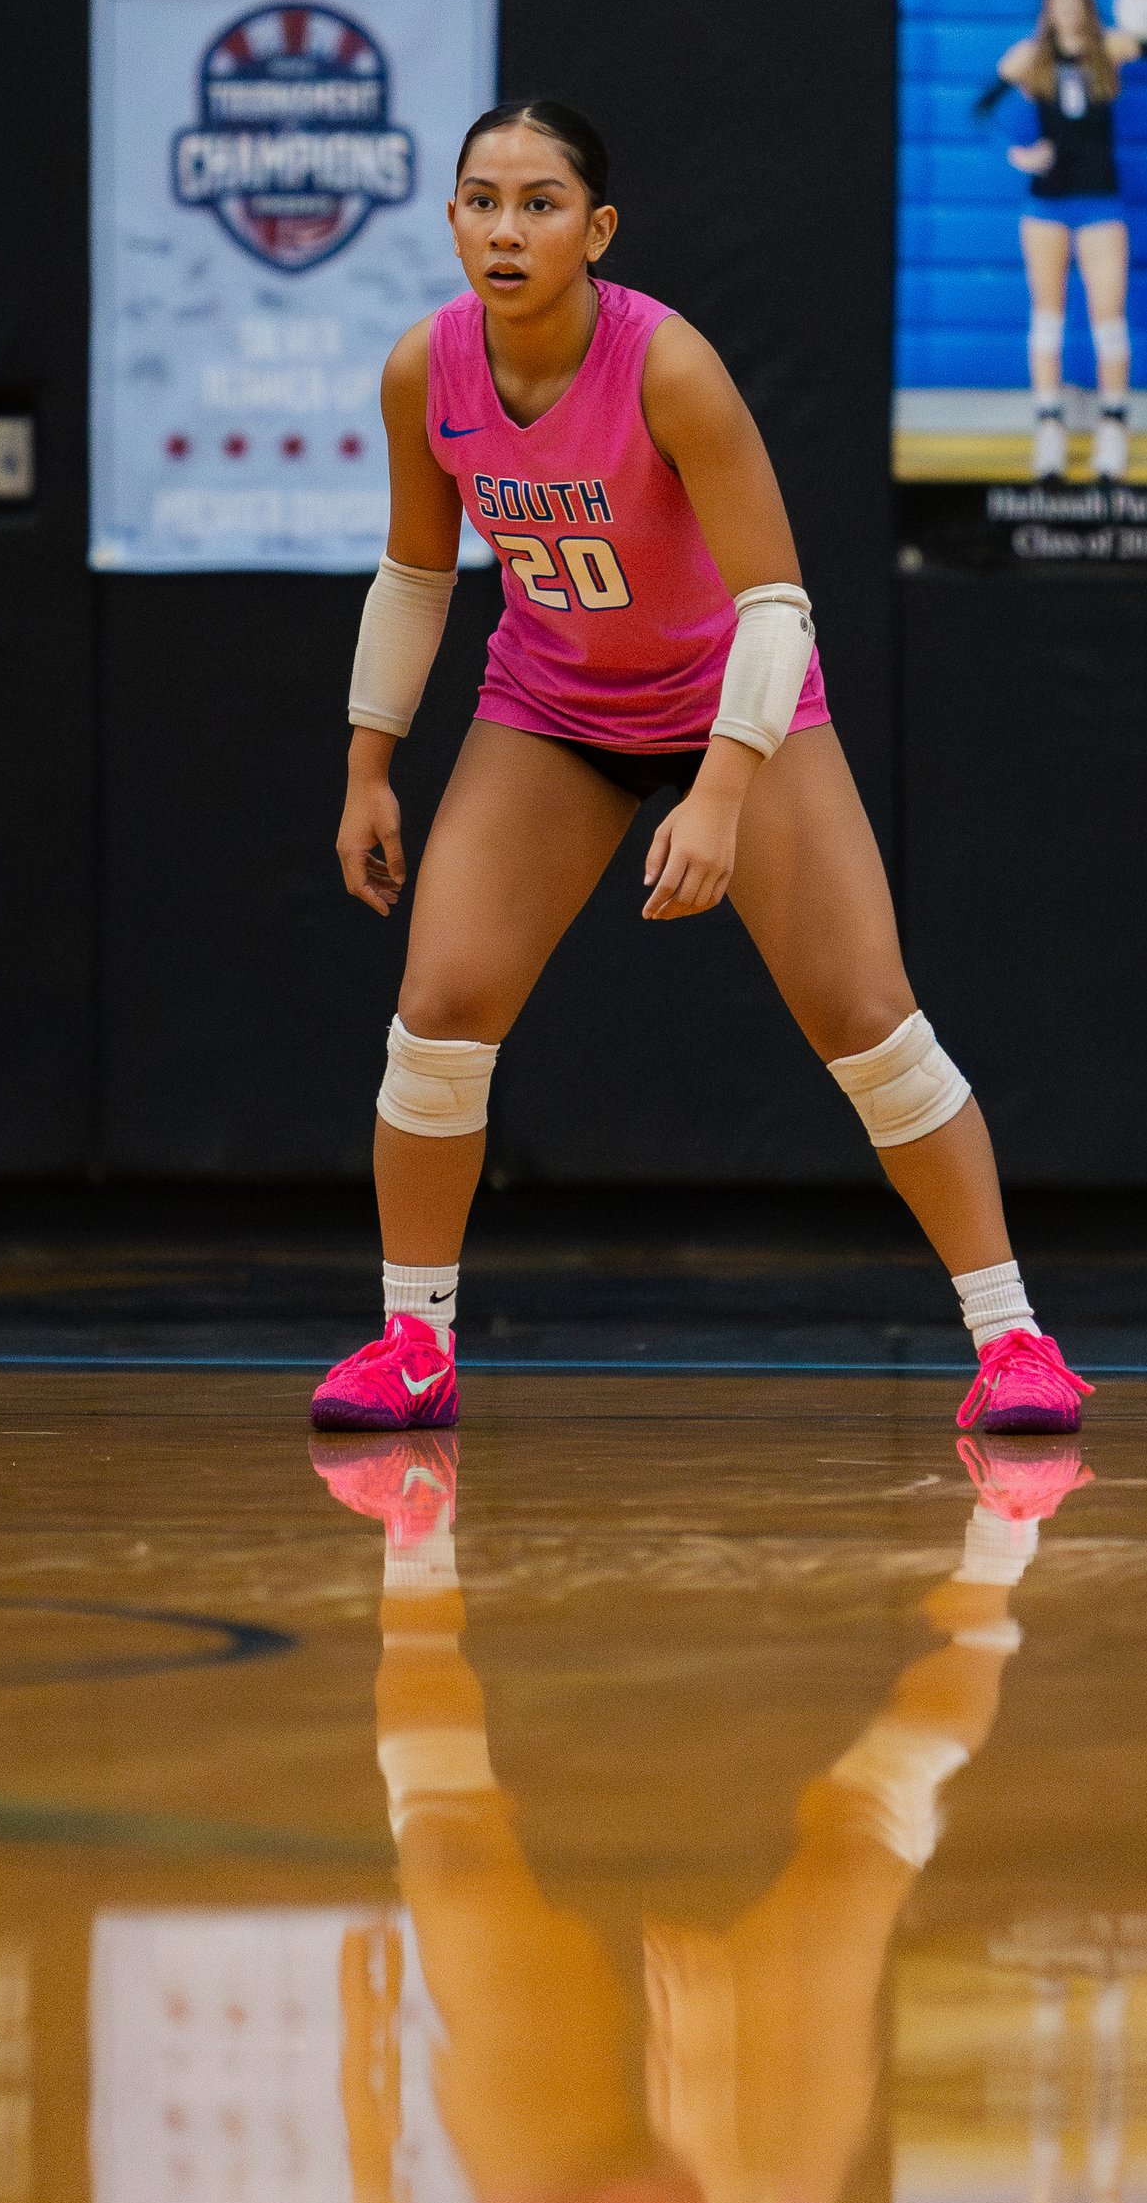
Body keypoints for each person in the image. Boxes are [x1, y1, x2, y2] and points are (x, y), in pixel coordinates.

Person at [314, 98, 1090, 1439]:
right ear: (450, 218)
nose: (507, 228)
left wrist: (723, 791)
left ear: (595, 228)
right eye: (482, 199)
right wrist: (367, 766)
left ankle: (1016, 1340)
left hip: (734, 697)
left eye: (541, 201)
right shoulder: (421, 371)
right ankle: (413, 1341)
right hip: (552, 704)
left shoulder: (668, 365)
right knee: (438, 1006)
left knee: (867, 1017)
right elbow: (415, 571)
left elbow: (778, 602)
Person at [316, 1421, 1093, 2203]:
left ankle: (413, 1541)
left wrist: (366, 2136)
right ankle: (996, 1571)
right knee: (857, 1850)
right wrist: (715, 2146)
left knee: (451, 1871)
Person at [979, 0, 1147, 486]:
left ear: (1088, 2)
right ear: (1047, 4)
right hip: (1046, 208)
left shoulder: (1111, 50)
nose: (1067, 5)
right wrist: (1016, 154)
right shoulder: (1029, 58)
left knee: (1107, 319)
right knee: (1047, 317)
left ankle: (1112, 428)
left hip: (1100, 203)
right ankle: (1049, 429)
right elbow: (981, 110)